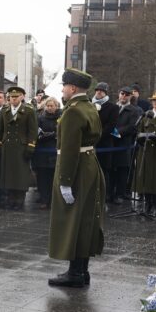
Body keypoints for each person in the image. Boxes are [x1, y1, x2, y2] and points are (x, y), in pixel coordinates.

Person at [48, 68, 105, 288]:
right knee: (85, 220)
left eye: (64, 86)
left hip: (77, 169)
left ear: (72, 88)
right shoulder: (89, 107)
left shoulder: (73, 111)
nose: (62, 90)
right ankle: (81, 270)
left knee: (73, 220)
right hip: (89, 165)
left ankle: (75, 273)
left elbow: (70, 150)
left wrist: (65, 181)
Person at [0, 87, 37, 211]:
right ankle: (10, 199)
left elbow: (32, 130)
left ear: (21, 97)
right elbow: (0, 129)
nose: (13, 99)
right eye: (11, 97)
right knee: (8, 174)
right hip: (7, 146)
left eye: (16, 97)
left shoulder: (29, 110)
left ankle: (19, 200)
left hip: (21, 147)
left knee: (20, 174)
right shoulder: (5, 110)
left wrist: (31, 146)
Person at [111, 86, 139, 203]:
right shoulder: (113, 107)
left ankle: (120, 194)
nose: (124, 96)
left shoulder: (134, 110)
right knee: (111, 169)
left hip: (124, 143)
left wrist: (117, 132)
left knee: (123, 170)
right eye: (122, 93)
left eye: (127, 95)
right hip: (111, 143)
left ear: (130, 97)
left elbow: (132, 126)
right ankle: (110, 193)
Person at [93, 82, 120, 203]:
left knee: (104, 170)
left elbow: (111, 125)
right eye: (97, 90)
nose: (99, 92)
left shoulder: (112, 107)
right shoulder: (90, 104)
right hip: (91, 143)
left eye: (102, 90)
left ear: (106, 92)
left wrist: (98, 135)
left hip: (104, 143)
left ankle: (105, 195)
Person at [33, 97, 60, 209]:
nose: (49, 108)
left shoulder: (61, 117)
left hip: (54, 151)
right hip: (42, 152)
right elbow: (37, 132)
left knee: (53, 177)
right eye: (47, 106)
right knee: (42, 177)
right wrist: (48, 135)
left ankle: (53, 200)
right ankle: (44, 199)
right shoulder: (40, 117)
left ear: (56, 106)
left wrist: (52, 135)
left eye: (51, 106)